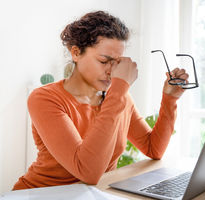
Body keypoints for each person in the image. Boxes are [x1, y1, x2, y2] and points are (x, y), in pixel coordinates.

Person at [13, 10, 189, 190]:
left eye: (117, 63)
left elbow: (154, 149)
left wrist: (170, 98)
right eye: (104, 61)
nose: (111, 71)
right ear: (75, 52)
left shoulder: (119, 98)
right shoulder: (45, 98)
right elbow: (88, 172)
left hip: (91, 194)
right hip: (42, 194)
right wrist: (119, 89)